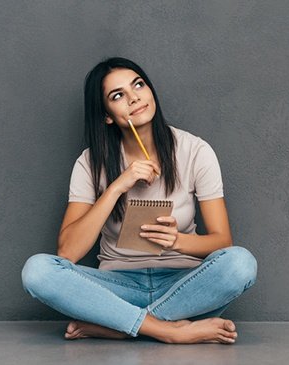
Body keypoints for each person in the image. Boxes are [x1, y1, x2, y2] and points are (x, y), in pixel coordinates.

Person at [21, 57, 257, 344]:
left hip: (183, 284)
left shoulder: (195, 150)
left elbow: (222, 243)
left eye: (138, 85)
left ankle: (118, 326)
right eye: (118, 95)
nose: (134, 98)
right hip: (118, 285)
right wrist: (117, 187)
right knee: (37, 271)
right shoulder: (89, 162)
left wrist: (176, 241)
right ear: (107, 115)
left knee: (241, 263)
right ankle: (168, 330)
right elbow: (68, 252)